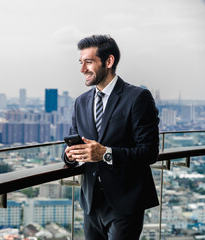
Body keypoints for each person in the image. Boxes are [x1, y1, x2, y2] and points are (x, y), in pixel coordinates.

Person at [62, 35, 160, 240]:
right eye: (81, 63)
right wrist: (70, 156)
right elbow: (76, 146)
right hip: (91, 203)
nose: (82, 70)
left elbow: (149, 152)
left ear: (109, 61)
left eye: (88, 62)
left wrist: (105, 153)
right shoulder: (81, 102)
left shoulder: (137, 98)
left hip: (125, 203)